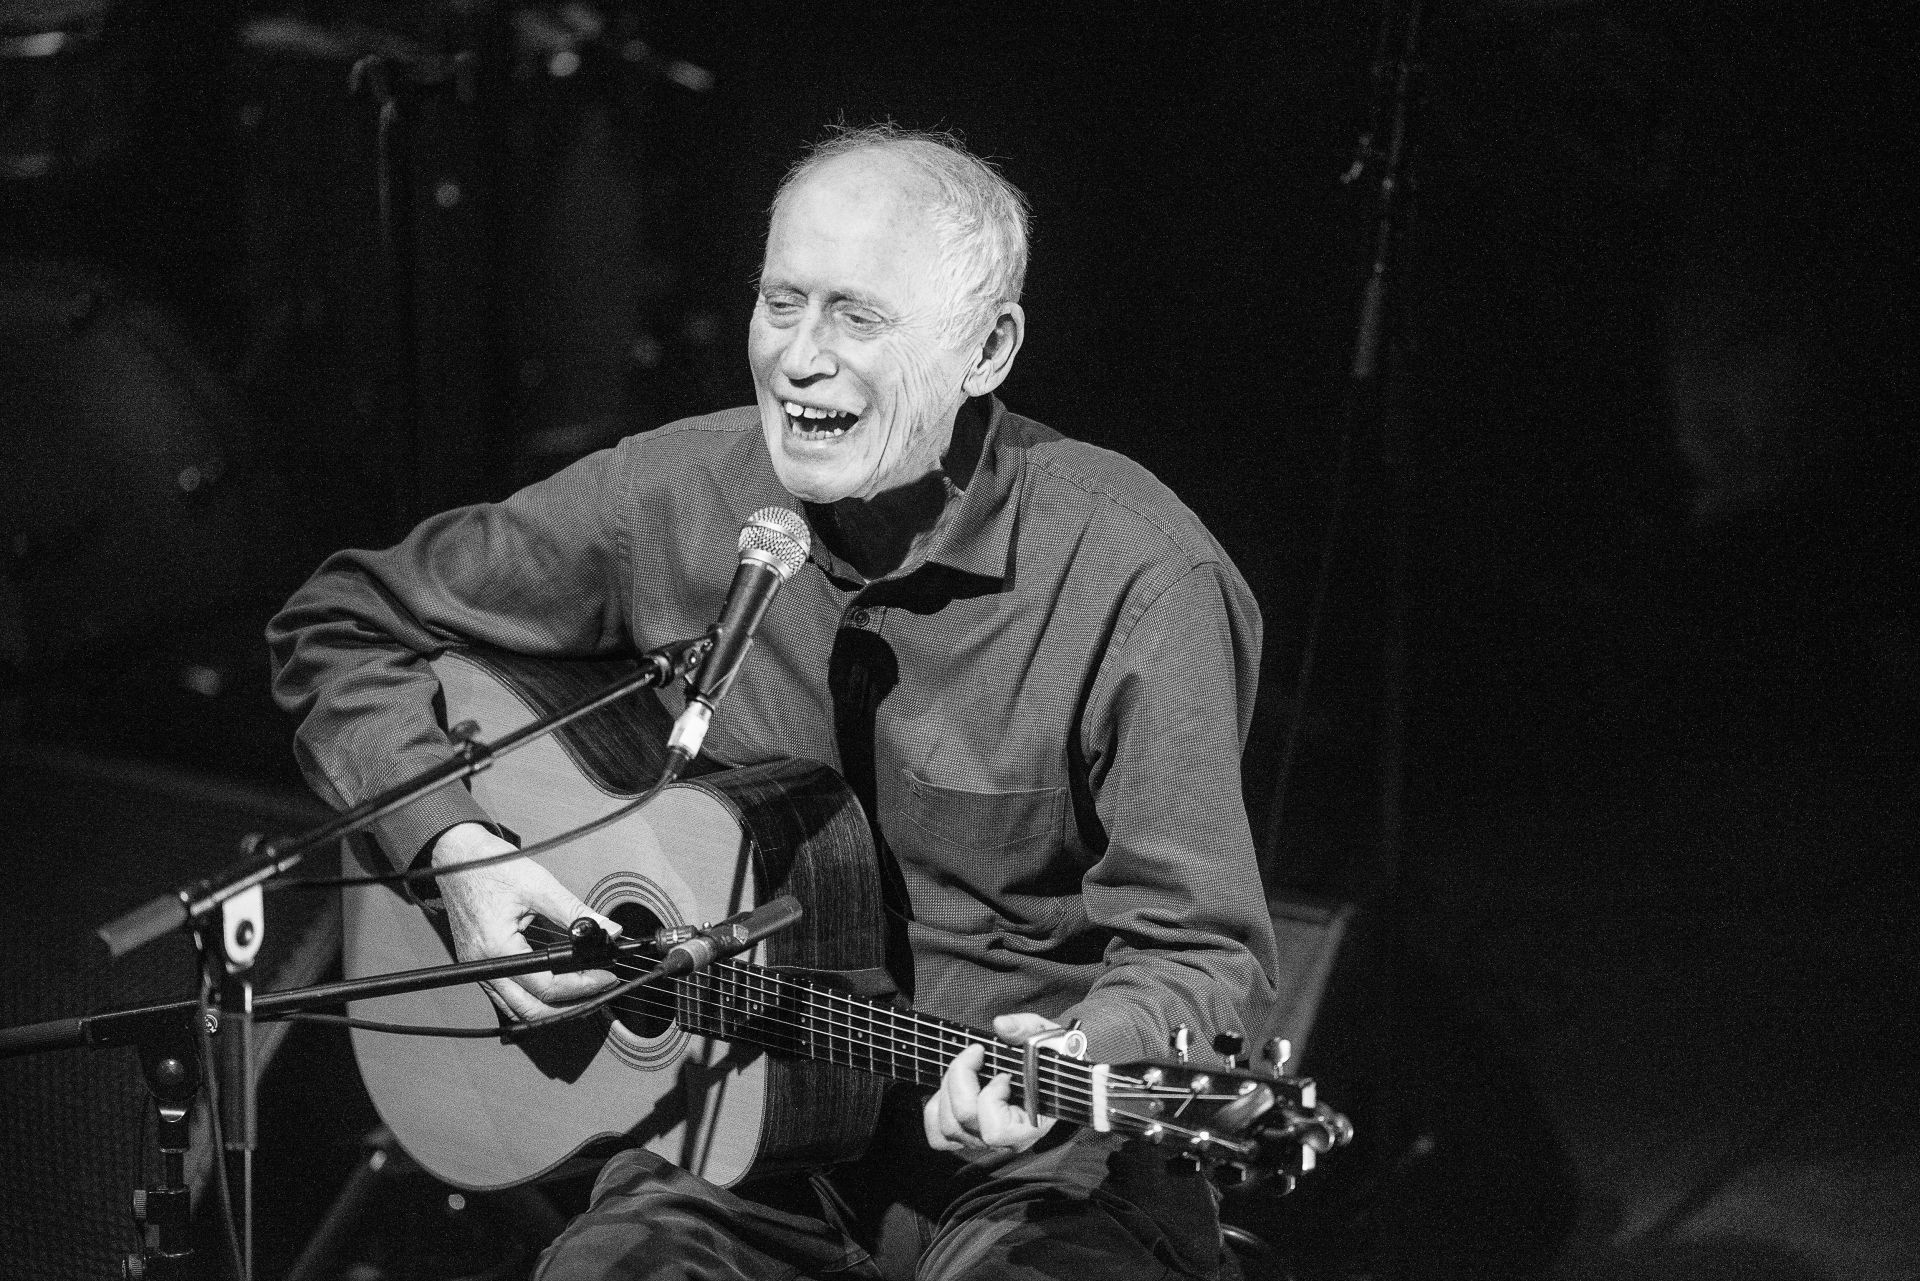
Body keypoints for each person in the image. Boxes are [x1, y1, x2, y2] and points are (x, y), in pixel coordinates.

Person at [270, 125, 1281, 1280]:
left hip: (1039, 1178)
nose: (800, 359)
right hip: (739, 1144)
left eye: (856, 317)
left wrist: (1070, 1056)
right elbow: (343, 619)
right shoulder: (675, 494)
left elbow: (1203, 956)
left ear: (988, 348)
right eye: (780, 303)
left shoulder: (1142, 578)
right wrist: (455, 848)